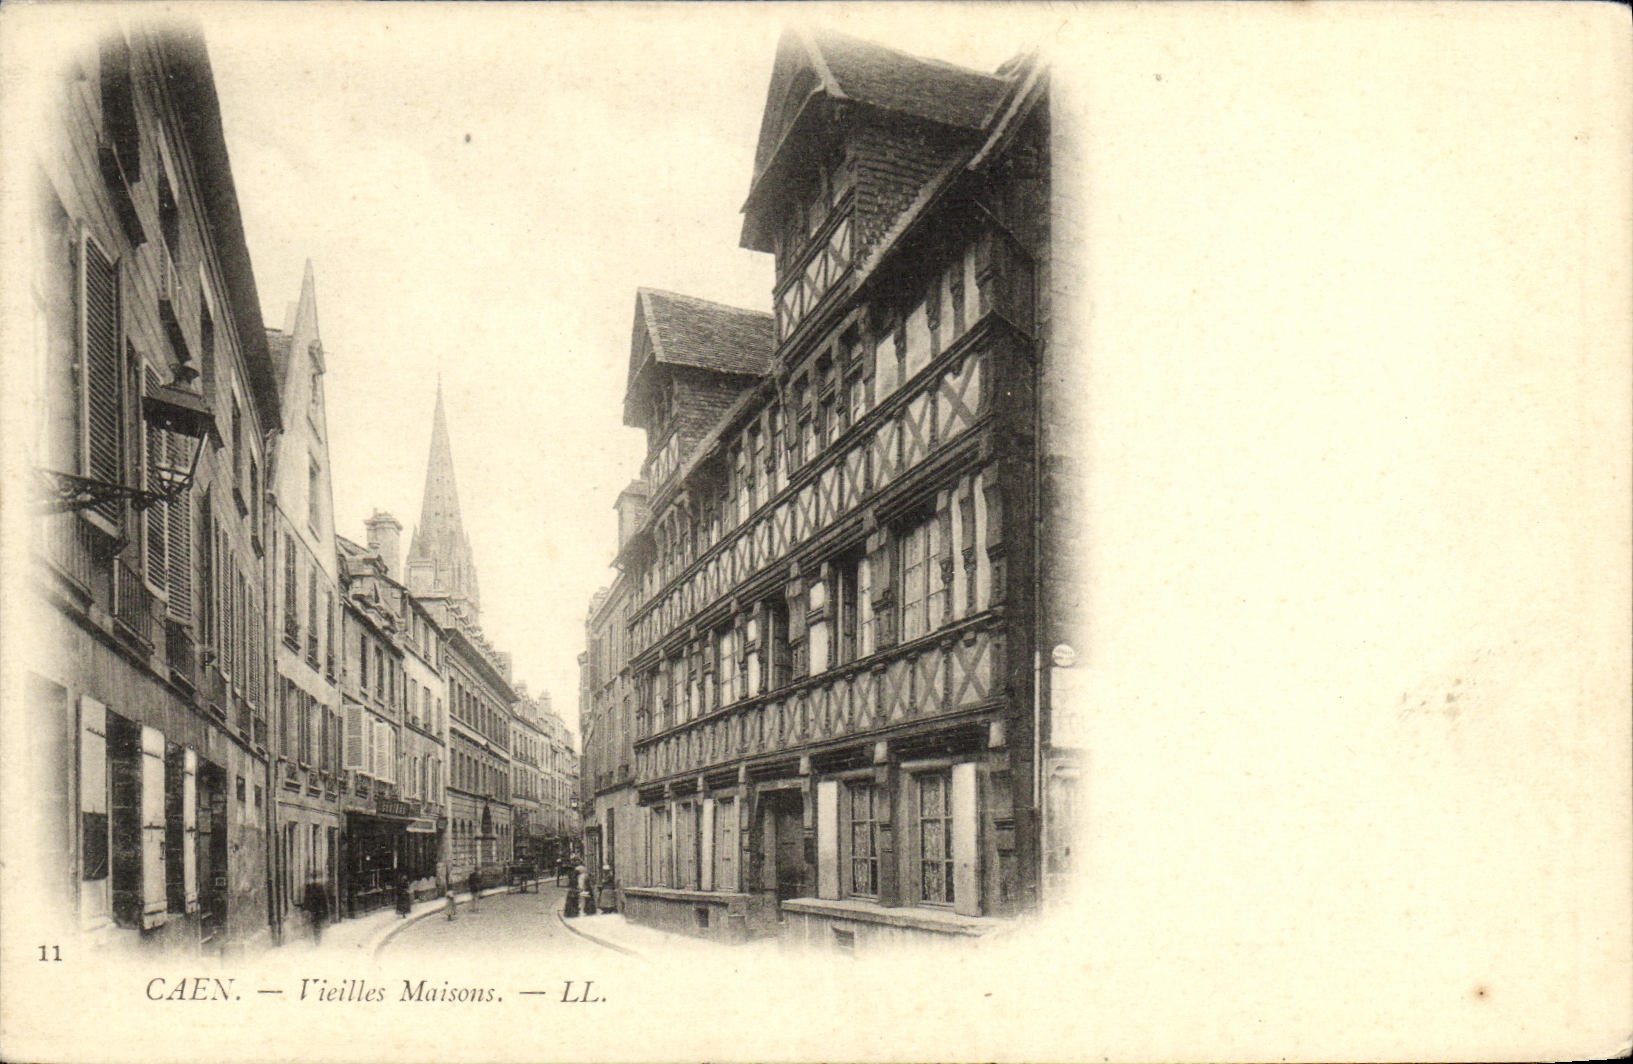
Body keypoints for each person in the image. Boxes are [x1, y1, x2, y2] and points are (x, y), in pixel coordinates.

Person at [301, 877, 329, 945]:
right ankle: (316, 939)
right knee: (316, 925)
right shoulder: (316, 888)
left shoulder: (310, 888)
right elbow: (324, 901)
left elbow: (323, 901)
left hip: (315, 910)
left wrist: (305, 908)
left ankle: (316, 939)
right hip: (315, 910)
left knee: (315, 925)